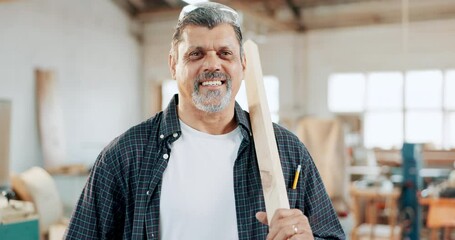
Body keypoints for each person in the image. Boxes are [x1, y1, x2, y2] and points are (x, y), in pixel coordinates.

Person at [65, 2, 345, 240]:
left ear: (243, 65)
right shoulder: (124, 156)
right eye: (196, 54)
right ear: (173, 64)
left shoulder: (287, 150)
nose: (213, 65)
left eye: (225, 53)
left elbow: (331, 234)